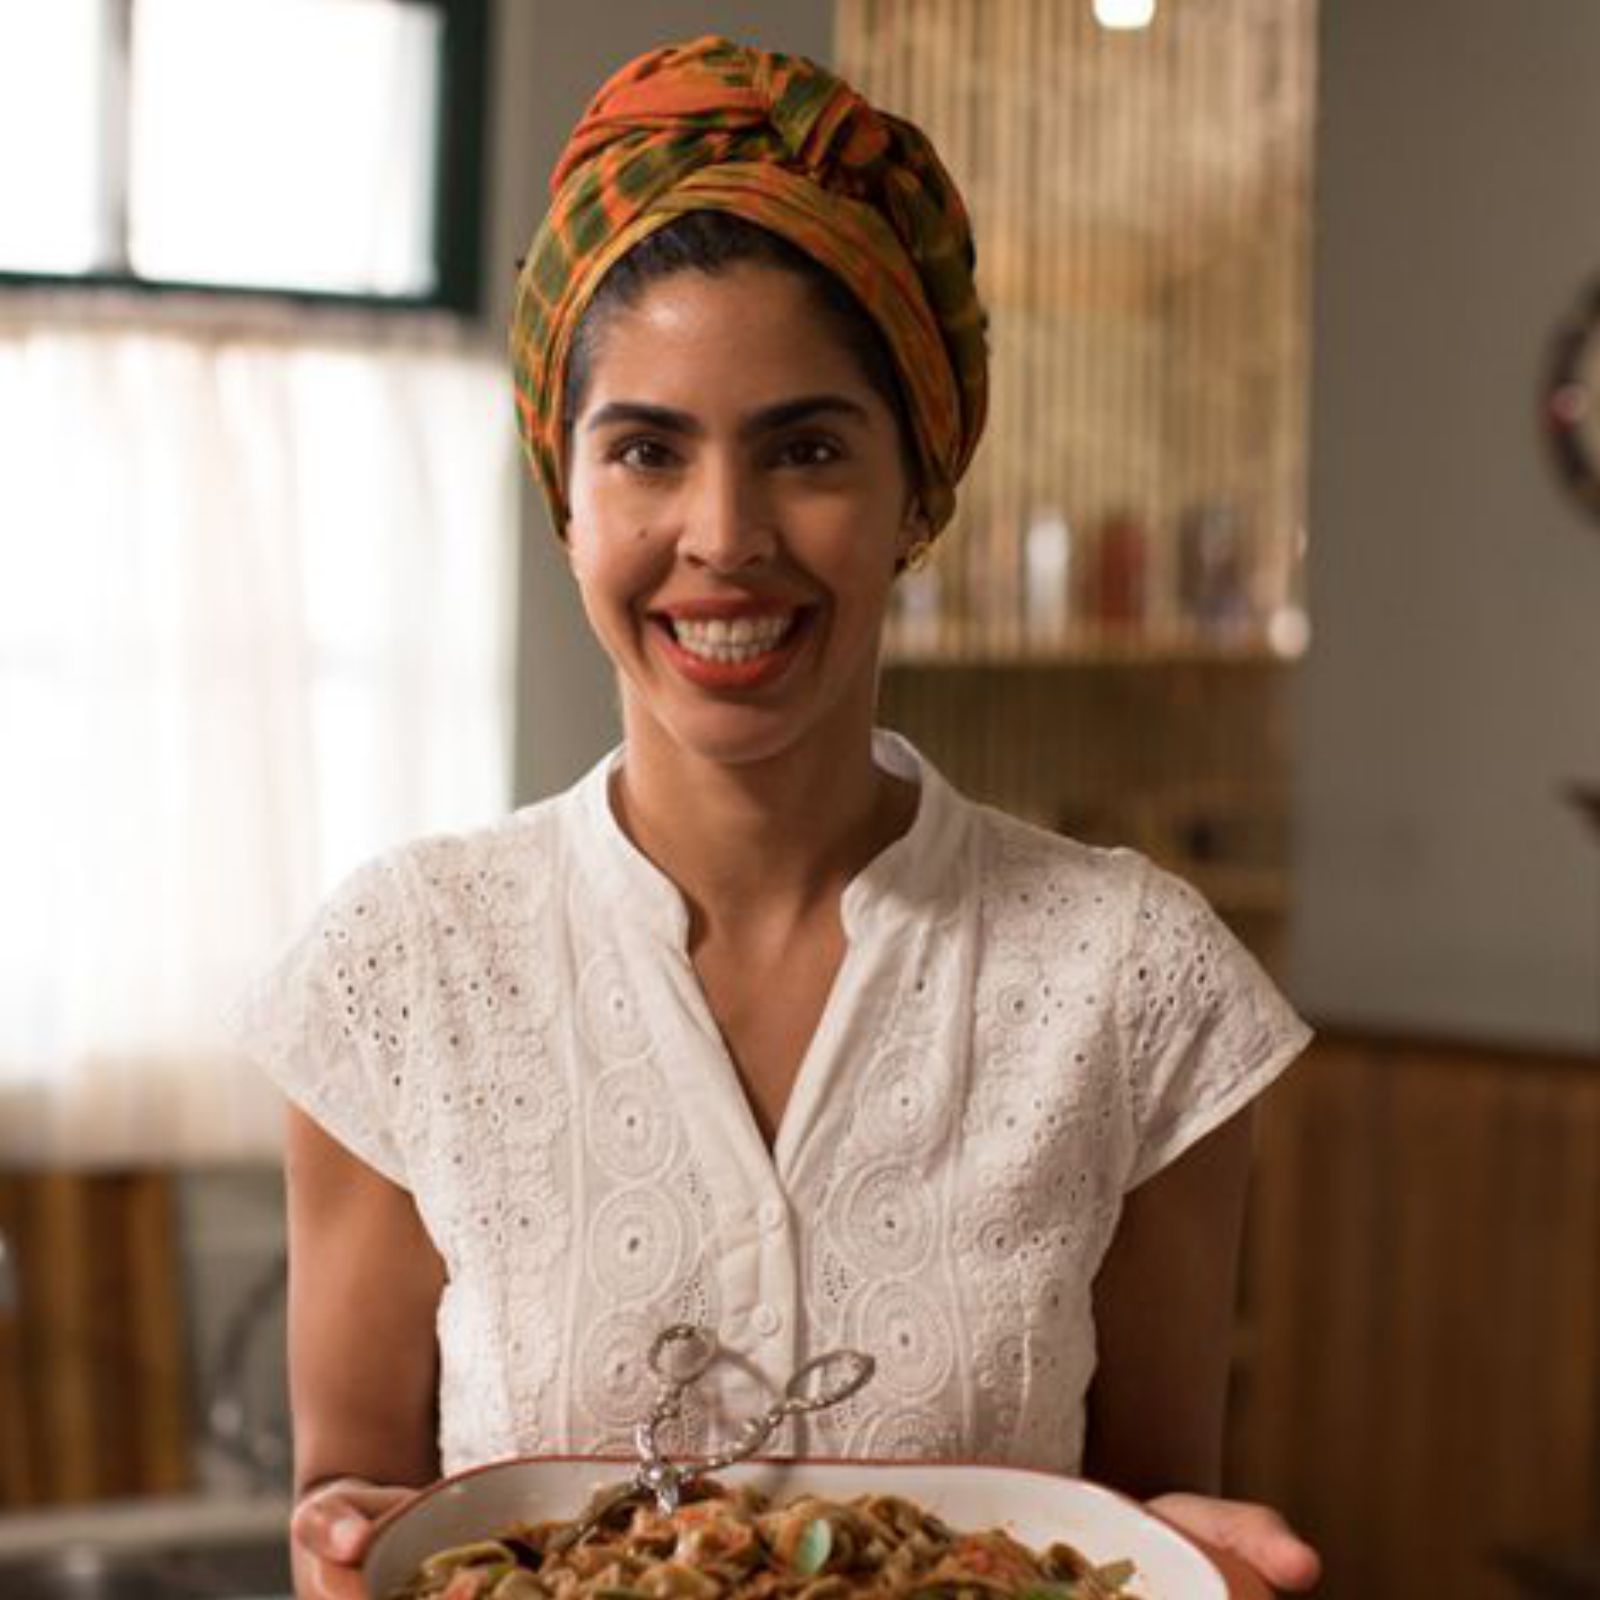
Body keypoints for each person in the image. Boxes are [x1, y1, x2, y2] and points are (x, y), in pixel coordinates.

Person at [235, 36, 1321, 1600]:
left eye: (808, 450)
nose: (724, 539)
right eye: (647, 452)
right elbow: (363, 1502)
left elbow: (1141, 1524)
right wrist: (340, 1544)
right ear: (568, 493)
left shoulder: (1133, 980)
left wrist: (1207, 1563)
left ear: (919, 492)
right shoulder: (402, 970)